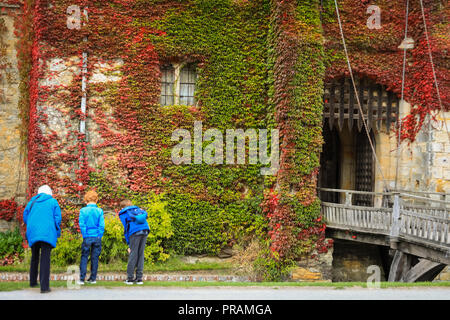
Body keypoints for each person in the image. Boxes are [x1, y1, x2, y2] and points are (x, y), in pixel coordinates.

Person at [23, 185, 62, 293]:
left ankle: (33, 282)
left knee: (34, 257)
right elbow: (58, 218)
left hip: (33, 232)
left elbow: (25, 216)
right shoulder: (53, 202)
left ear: (39, 193)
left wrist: (32, 224)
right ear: (49, 193)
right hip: (47, 233)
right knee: (45, 259)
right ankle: (44, 288)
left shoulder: (31, 202)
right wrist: (54, 227)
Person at [118, 199, 149, 284]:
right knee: (140, 253)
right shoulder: (138, 209)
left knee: (133, 253)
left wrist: (129, 244)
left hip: (134, 232)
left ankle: (130, 278)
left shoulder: (124, 212)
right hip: (145, 230)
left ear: (122, 207)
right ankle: (139, 279)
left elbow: (126, 229)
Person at [78, 190, 104, 285]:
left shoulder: (83, 210)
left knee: (84, 256)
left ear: (86, 200)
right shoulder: (99, 211)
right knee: (95, 258)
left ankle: (81, 278)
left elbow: (82, 224)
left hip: (87, 236)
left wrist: (85, 235)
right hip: (96, 237)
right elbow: (101, 226)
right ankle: (93, 278)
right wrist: (99, 236)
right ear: (96, 200)